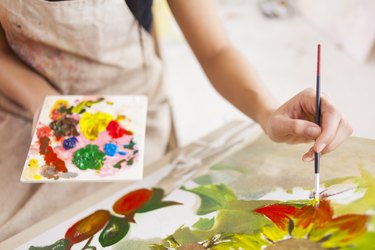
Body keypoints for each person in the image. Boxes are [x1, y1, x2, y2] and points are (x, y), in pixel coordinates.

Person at [0, 0, 352, 241]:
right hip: (20, 95)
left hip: (122, 119)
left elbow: (216, 50)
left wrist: (267, 112)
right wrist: (38, 97)